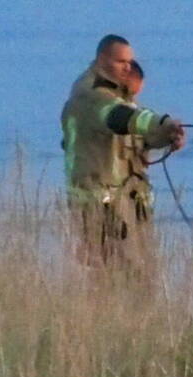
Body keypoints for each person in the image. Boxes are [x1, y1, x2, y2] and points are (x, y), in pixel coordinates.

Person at [61, 35, 186, 269]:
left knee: (140, 273)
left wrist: (166, 137)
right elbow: (120, 119)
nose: (128, 67)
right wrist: (163, 122)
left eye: (130, 62)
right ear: (101, 59)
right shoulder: (90, 94)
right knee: (111, 273)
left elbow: (136, 137)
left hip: (128, 202)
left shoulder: (120, 94)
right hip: (101, 204)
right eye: (121, 61)